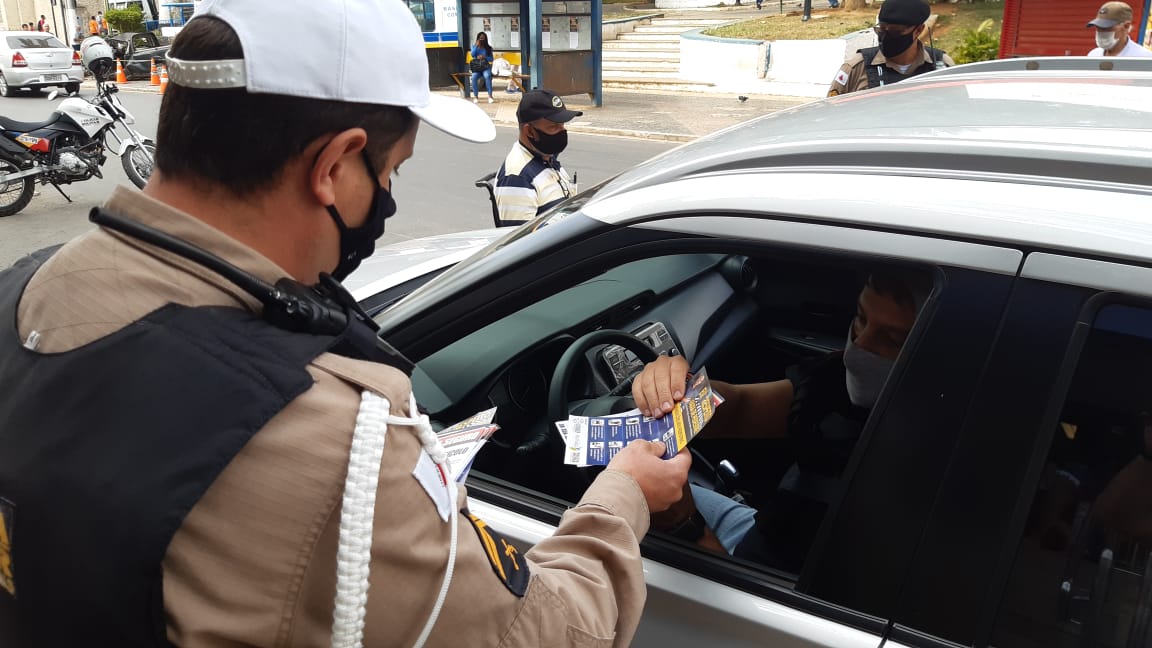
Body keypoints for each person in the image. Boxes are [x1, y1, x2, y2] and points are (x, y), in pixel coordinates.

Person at [0, 0, 691, 646]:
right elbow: (548, 632)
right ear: (332, 167)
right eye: (390, 171)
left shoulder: (22, 290)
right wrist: (623, 493)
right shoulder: (330, 441)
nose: (388, 195)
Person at [634, 271, 930, 571]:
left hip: (752, 577)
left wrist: (684, 526)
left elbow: (763, 610)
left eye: (892, 339)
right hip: (762, 534)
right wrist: (681, 391)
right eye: (861, 319)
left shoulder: (920, 484)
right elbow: (742, 409)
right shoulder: (835, 381)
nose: (859, 348)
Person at [827, 0, 953, 97]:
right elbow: (830, 113)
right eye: (881, 29)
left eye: (896, 31)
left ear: (918, 30)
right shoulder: (857, 68)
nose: (886, 36)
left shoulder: (942, 66)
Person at [493, 89, 580, 225]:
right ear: (529, 131)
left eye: (562, 125)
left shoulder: (546, 157)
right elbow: (520, 241)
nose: (562, 131)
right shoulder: (518, 177)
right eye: (553, 127)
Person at [1086, 2, 1152, 57]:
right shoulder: (1093, 55)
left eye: (1107, 28)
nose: (1101, 32)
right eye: (1098, 27)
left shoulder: (1144, 57)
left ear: (1126, 26)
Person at [467, 31, 495, 104]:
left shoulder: (488, 48)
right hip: (477, 68)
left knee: (487, 76)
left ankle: (490, 96)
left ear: (486, 39)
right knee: (473, 77)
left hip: (485, 67)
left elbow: (491, 59)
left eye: (483, 38)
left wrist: (484, 57)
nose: (482, 40)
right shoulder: (474, 46)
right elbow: (472, 55)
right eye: (480, 38)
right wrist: (476, 46)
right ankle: (475, 96)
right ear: (478, 39)